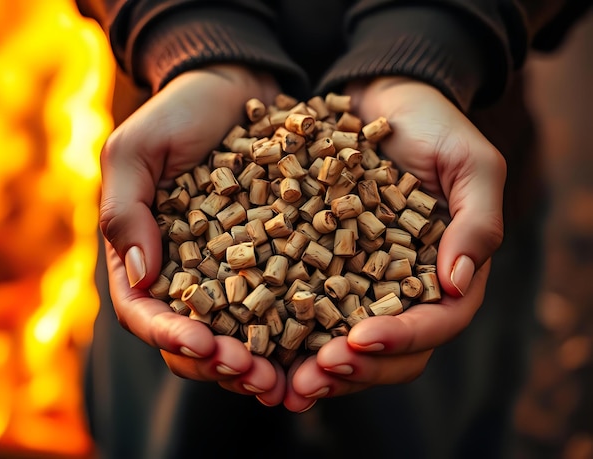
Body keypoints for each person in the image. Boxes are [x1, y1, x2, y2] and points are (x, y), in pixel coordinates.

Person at [76, 1, 592, 458]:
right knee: (169, 438)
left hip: (448, 177)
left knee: (433, 435)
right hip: (174, 172)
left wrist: (441, 35)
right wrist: (181, 28)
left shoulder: (375, 208)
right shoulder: (206, 218)